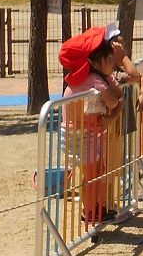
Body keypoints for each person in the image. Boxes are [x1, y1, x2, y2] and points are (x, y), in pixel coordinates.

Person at [58, 21, 136, 225]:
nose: (113, 63)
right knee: (92, 174)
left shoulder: (101, 77)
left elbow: (120, 99)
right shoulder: (94, 80)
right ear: (95, 62)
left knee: (98, 171)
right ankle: (91, 211)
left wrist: (112, 116)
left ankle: (97, 208)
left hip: (90, 132)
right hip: (79, 134)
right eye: (109, 59)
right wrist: (114, 109)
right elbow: (114, 101)